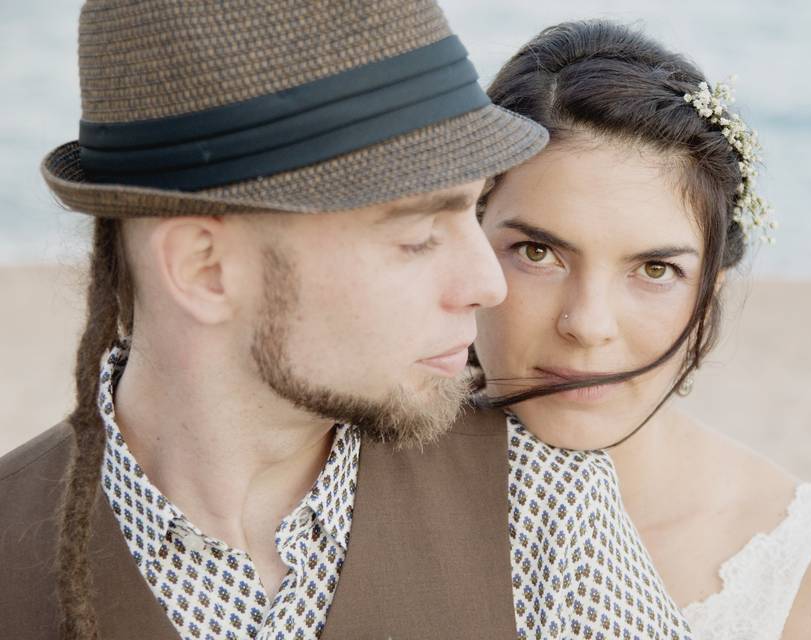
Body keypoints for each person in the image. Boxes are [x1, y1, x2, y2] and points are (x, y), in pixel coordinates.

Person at [0, 0, 552, 637]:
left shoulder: (541, 507)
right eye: (421, 234)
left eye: (476, 210)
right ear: (205, 268)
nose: (488, 284)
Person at [466, 20, 811, 640]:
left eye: (654, 269)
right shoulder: (346, 463)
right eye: (536, 253)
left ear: (707, 296)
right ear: (465, 239)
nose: (588, 325)